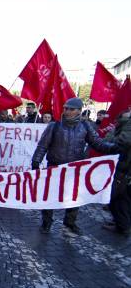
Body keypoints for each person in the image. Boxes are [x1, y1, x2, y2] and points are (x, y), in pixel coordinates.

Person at [32, 98, 119, 235]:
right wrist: (36, 162)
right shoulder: (54, 126)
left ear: (79, 111)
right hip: (54, 168)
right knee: (49, 196)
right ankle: (46, 222)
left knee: (74, 197)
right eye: (66, 108)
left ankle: (70, 223)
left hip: (75, 168)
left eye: (71, 109)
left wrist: (113, 148)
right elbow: (42, 146)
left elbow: (97, 143)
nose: (67, 111)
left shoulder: (85, 126)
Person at [102, 111, 131, 236]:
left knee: (117, 197)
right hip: (123, 166)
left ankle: (123, 225)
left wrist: (112, 134)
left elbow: (119, 142)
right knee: (122, 197)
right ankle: (121, 222)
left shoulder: (126, 126)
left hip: (123, 166)